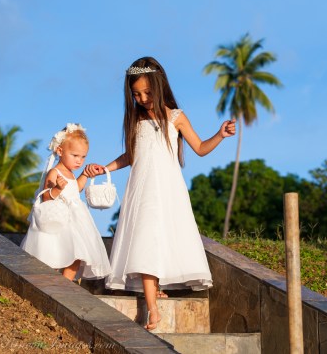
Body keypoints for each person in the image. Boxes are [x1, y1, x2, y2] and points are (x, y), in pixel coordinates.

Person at [92, 56, 236, 330]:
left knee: (161, 238)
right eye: (136, 94)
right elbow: (131, 155)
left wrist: (220, 134)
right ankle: (153, 308)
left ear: (159, 87)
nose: (143, 98)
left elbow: (201, 148)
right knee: (146, 237)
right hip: (142, 188)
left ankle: (153, 289)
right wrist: (105, 169)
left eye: (147, 92)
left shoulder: (176, 117)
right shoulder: (136, 120)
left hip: (168, 188)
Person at [21, 123, 111, 281]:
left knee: (77, 254)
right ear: (60, 151)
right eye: (75, 155)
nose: (79, 161)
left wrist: (84, 174)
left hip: (75, 220)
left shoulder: (70, 173)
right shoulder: (54, 172)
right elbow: (46, 197)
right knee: (54, 252)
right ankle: (50, 281)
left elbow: (76, 188)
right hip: (57, 219)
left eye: (83, 157)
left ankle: (66, 284)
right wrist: (56, 189)